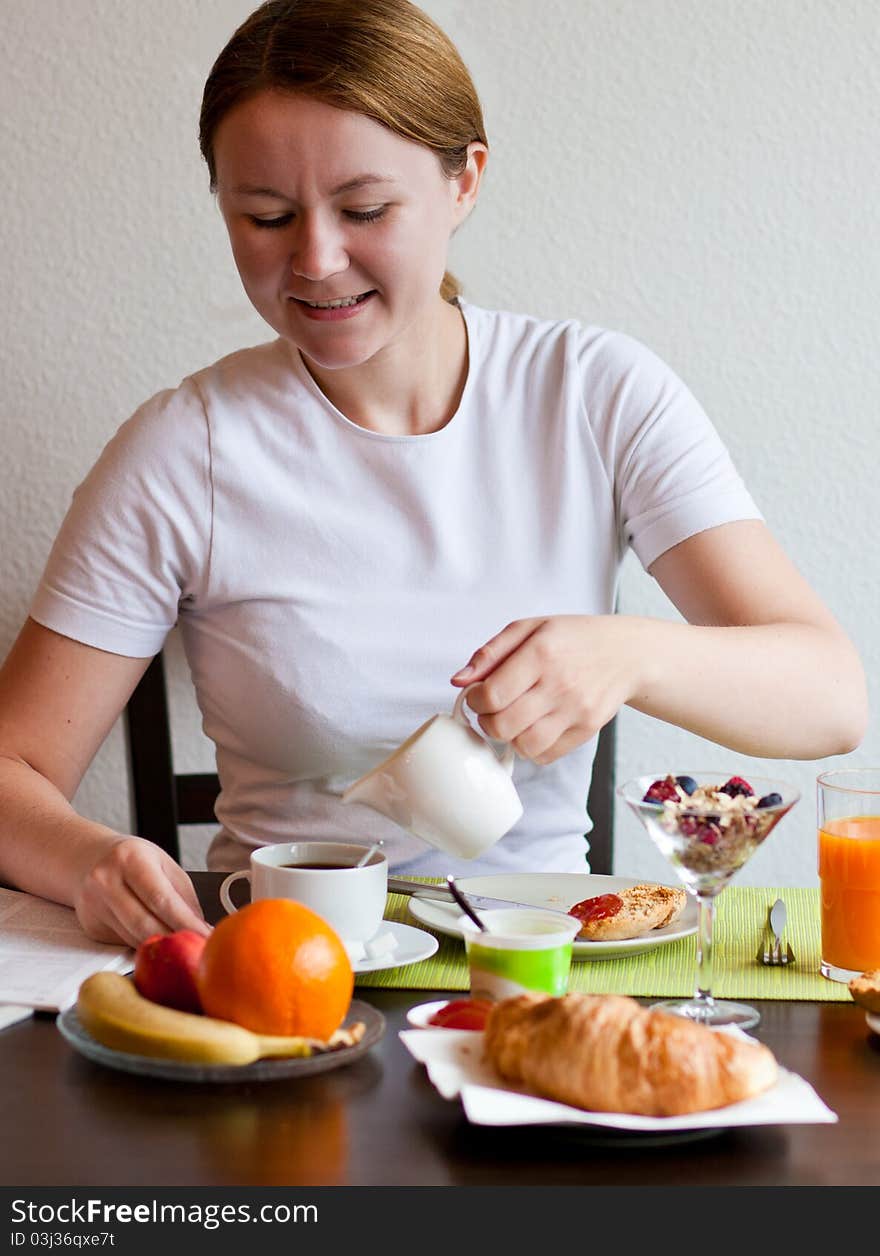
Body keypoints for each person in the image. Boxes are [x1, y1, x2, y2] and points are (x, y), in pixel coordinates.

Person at [0, 0, 866, 947]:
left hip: (541, 962)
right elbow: (14, 767)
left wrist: (629, 654)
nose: (317, 259)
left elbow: (829, 698)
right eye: (266, 216)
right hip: (295, 974)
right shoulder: (183, 449)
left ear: (465, 182)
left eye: (365, 210)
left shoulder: (593, 393)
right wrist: (89, 859)